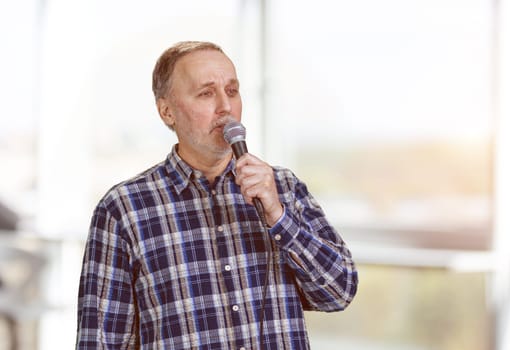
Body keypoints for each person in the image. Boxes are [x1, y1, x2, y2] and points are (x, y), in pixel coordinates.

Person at [76, 40, 358, 349]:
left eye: (232, 91)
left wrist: (279, 217)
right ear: (167, 111)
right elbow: (100, 340)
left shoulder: (284, 188)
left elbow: (339, 292)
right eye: (206, 93)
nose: (225, 107)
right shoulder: (123, 209)